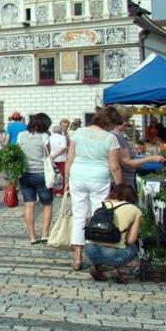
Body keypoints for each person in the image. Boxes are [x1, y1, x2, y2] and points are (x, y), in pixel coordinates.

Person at [64, 106, 123, 271]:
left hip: (78, 175)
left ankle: (77, 258)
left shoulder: (78, 133)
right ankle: (98, 257)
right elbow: (114, 167)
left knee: (79, 215)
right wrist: (120, 187)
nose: (113, 128)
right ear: (108, 122)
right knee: (100, 217)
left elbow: (70, 158)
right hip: (99, 178)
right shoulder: (110, 138)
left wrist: (67, 179)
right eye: (113, 124)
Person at [85, 184, 143, 284]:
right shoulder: (135, 210)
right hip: (113, 254)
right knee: (133, 248)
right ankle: (113, 268)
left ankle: (99, 268)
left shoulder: (102, 204)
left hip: (90, 250)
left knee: (101, 249)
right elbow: (131, 240)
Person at [17, 113, 54, 244]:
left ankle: (32, 236)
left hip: (25, 174)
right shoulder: (44, 136)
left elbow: (18, 153)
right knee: (47, 204)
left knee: (29, 205)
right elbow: (48, 155)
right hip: (41, 173)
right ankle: (44, 233)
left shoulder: (21, 135)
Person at [112, 106, 166, 188]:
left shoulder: (117, 135)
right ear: (121, 120)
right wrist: (151, 158)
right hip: (123, 182)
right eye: (127, 119)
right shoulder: (116, 136)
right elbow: (127, 163)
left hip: (125, 180)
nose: (128, 123)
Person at [49, 124, 68, 197]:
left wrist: (51, 156)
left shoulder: (49, 137)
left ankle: (53, 191)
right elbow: (63, 148)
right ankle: (59, 192)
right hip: (61, 159)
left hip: (51, 159)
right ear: (60, 130)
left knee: (52, 175)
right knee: (61, 175)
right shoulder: (62, 138)